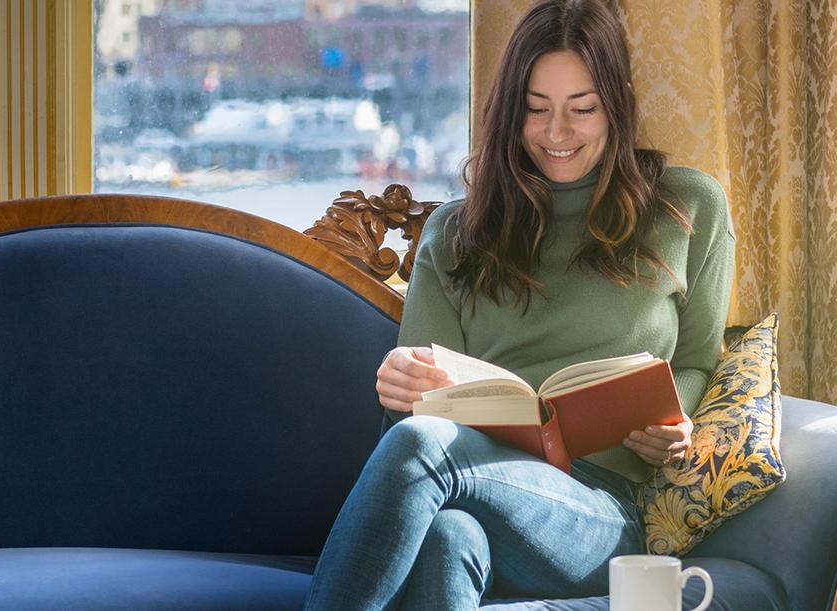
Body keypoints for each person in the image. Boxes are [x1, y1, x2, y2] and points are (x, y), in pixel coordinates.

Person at [303, 0, 735, 608]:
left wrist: (675, 424)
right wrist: (401, 384)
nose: (557, 133)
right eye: (536, 110)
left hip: (598, 516)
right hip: (470, 485)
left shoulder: (687, 206)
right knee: (448, 535)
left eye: (582, 109)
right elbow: (412, 422)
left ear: (618, 102)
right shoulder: (456, 233)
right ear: (511, 110)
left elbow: (695, 359)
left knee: (423, 449)